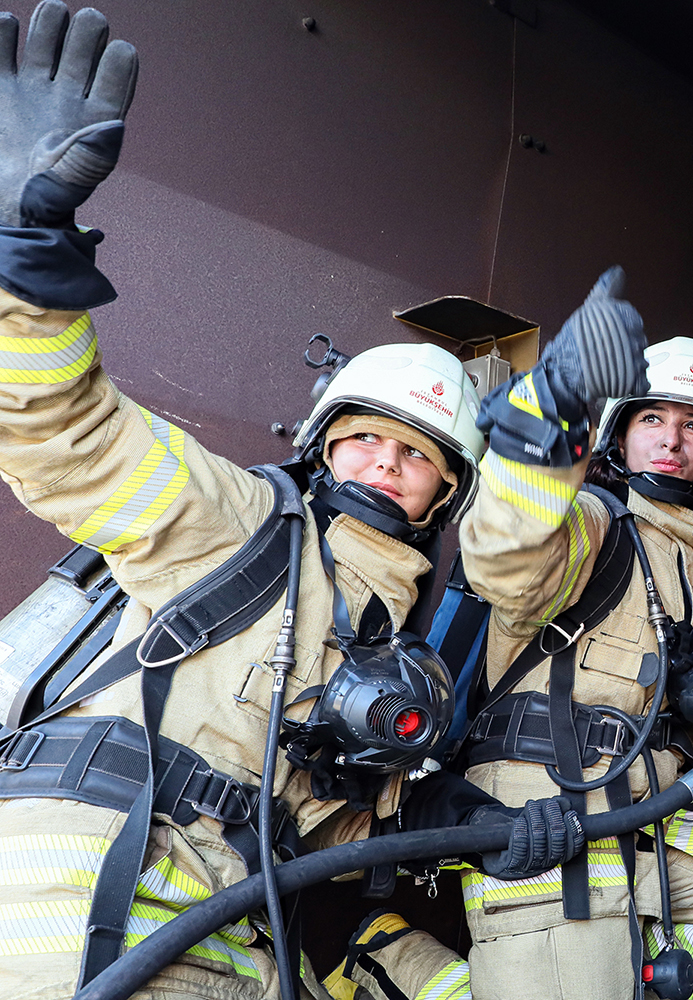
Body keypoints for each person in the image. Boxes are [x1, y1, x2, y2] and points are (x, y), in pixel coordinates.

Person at [0, 5, 581, 998]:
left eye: (418, 454)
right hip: (85, 894)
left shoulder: (399, 636)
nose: (387, 463)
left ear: (446, 491)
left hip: (226, 921)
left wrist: (498, 834)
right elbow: (66, 434)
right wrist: (25, 255)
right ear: (322, 448)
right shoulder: (238, 520)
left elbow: (338, 836)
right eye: (364, 437)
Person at [451, 279, 693, 1000]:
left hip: (656, 816)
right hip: (543, 818)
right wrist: (554, 403)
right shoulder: (588, 522)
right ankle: (389, 961)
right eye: (653, 418)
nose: (671, 439)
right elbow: (505, 551)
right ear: (617, 433)